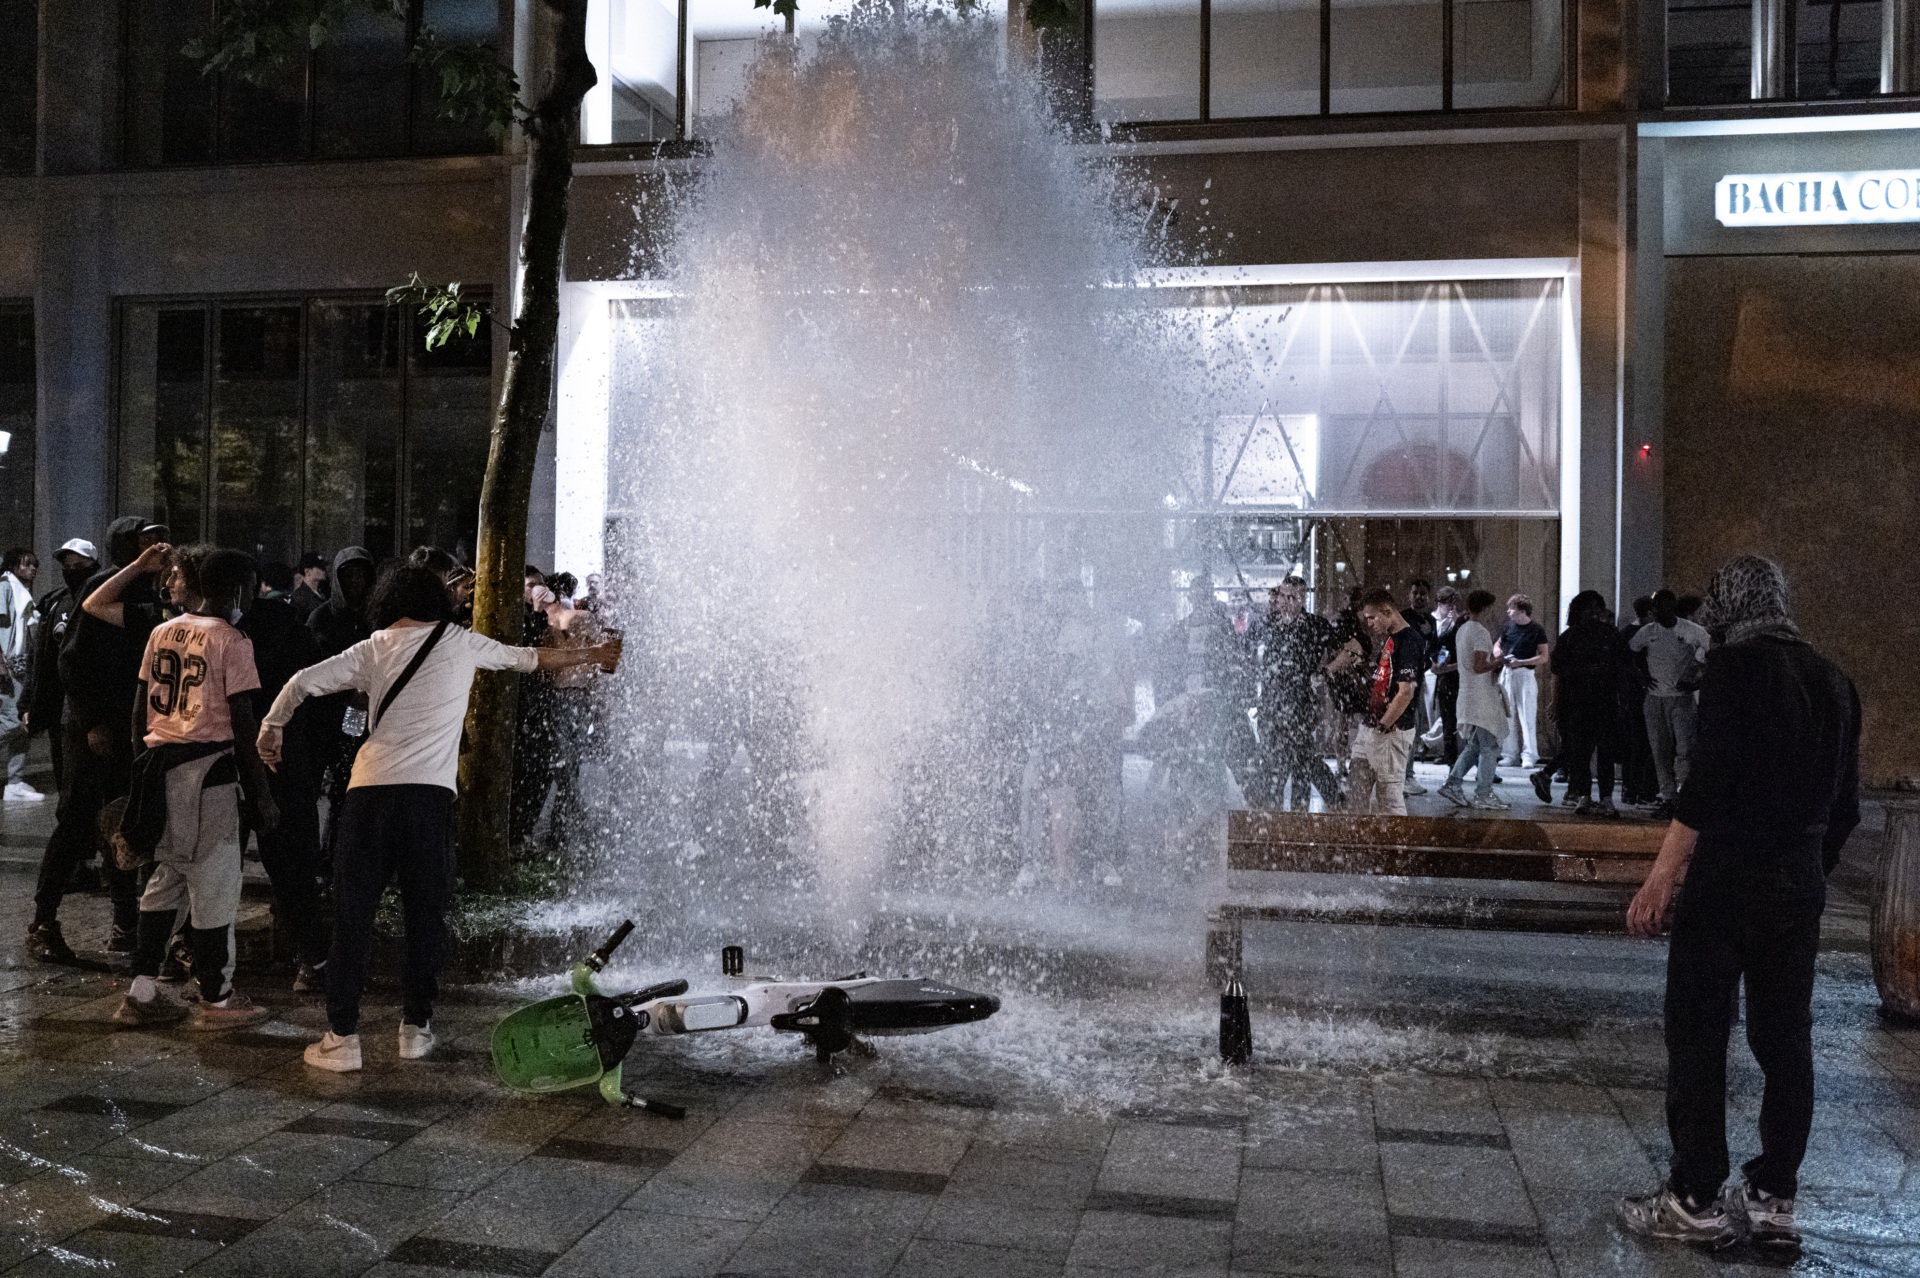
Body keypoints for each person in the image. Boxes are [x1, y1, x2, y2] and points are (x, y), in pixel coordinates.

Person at [260, 564, 624, 1072]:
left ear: (388, 601)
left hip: (367, 797)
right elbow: (531, 658)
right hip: (428, 801)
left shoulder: (374, 647)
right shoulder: (461, 642)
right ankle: (415, 1028)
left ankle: (342, 1038)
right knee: (425, 917)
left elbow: (302, 682)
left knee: (353, 917)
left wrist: (271, 726)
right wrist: (595, 654)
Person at [1619, 556, 1860, 1251]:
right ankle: (1774, 1194)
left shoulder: (1732, 670)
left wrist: (1661, 880)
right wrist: (1808, 869)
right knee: (1786, 1040)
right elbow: (1845, 807)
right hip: (1797, 883)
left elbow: (1706, 786)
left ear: (1730, 603)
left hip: (1728, 876)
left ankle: (1695, 1196)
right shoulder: (1833, 680)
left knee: (1698, 1030)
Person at [107, 546, 278, 1030]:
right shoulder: (232, 639)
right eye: (251, 587)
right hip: (209, 777)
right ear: (237, 589)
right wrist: (262, 794)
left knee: (166, 881)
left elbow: (138, 710)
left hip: (160, 768)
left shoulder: (163, 631)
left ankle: (141, 993)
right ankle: (218, 1000)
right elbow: (242, 723)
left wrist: (142, 770)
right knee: (215, 885)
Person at [26, 518, 162, 964]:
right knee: (78, 820)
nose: (154, 547)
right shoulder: (103, 586)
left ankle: (125, 924)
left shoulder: (146, 591)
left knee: (120, 820)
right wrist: (91, 722)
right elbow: (71, 661)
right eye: (144, 540)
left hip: (127, 725)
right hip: (95, 727)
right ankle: (44, 920)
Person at [237, 557, 330, 992]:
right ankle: (311, 957)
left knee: (207, 866)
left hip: (242, 759)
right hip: (283, 759)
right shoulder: (292, 628)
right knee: (290, 865)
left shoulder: (238, 634)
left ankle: (193, 958)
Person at [309, 546, 378, 859]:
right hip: (327, 713)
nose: (355, 582)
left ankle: (340, 853)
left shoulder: (374, 618)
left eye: (361, 575)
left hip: (360, 712)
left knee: (351, 783)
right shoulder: (323, 617)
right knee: (322, 785)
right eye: (348, 575)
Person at [1256, 576, 1341, 811]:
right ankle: (1272, 814)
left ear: (1303, 599)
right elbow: (1247, 650)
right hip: (1271, 702)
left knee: (1301, 760)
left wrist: (1326, 671)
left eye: (1292, 597)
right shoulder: (1268, 623)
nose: (1285, 602)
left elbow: (1347, 650)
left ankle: (1300, 814)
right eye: (1282, 596)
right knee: (1275, 760)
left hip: (1301, 703)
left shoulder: (1316, 625)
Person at [25, 539, 101, 790]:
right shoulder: (56, 602)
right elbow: (40, 658)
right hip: (60, 706)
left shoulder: (105, 599)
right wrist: (29, 703)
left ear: (94, 566)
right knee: (65, 778)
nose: (72, 571)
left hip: (95, 707)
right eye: (67, 567)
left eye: (79, 566)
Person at [1630, 589, 1711, 821]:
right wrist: (1641, 675)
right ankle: (1668, 797)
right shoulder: (1648, 632)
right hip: (1655, 698)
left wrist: (1698, 680)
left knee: (1685, 748)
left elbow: (1712, 651)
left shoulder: (1691, 630)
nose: (1658, 611)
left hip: (1680, 697)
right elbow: (1631, 652)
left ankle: (1685, 796)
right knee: (1660, 749)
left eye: (1663, 606)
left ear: (1672, 607)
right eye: (1655, 607)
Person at [1546, 591, 1625, 817]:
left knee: (1605, 753)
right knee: (1581, 753)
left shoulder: (1609, 634)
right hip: (1577, 703)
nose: (1594, 612)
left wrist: (1622, 699)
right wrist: (1557, 702)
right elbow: (1557, 673)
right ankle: (1584, 796)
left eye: (1597, 607)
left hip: (1604, 701)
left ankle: (1606, 798)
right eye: (1589, 608)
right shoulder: (1569, 637)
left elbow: (1620, 668)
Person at [1349, 588, 1423, 816]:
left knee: (1389, 800)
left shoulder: (1409, 641)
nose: (1369, 624)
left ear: (1388, 611)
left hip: (1391, 730)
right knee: (1357, 788)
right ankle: (1360, 835)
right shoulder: (1391, 639)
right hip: (1373, 726)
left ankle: (1394, 840)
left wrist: (1383, 726)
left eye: (1372, 618)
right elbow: (1386, 681)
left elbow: (1406, 691)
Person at [1437, 589, 1508, 810]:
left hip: (1468, 693)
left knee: (1475, 745)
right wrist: (1498, 661)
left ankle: (1453, 783)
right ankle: (1483, 793)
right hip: (1481, 696)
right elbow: (1479, 666)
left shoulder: (1463, 629)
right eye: (1491, 608)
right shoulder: (1480, 632)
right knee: (1490, 746)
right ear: (1485, 608)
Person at [0, 547, 41, 802]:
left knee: (24, 723)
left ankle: (15, 782)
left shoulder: (22, 591)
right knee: (13, 721)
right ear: (13, 565)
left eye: (34, 564)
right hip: (9, 664)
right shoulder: (5, 586)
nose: (32, 569)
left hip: (22, 665)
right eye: (26, 564)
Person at [1495, 594, 1549, 767]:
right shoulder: (1508, 627)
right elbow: (1497, 644)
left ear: (1522, 611)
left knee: (1527, 715)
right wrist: (1498, 653)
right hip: (1508, 673)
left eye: (1511, 608)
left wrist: (1522, 662)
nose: (1508, 611)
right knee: (1507, 714)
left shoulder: (1537, 629)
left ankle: (1529, 755)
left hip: (1525, 674)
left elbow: (1544, 657)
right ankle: (1509, 754)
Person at [1618, 596, 1659, 806]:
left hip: (1631, 695)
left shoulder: (1626, 632)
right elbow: (1628, 662)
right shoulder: (1641, 633)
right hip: (1638, 695)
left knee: (1635, 744)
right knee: (1641, 744)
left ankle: (1631, 788)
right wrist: (1642, 679)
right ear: (1649, 613)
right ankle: (1639, 789)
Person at [1399, 578, 1438, 796]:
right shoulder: (1403, 617)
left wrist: (1435, 661)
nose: (1419, 597)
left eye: (1423, 593)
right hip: (1403, 679)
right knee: (1403, 726)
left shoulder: (1431, 620)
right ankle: (1402, 775)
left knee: (1412, 726)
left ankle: (1407, 773)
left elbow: (1434, 648)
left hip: (1419, 679)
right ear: (1409, 595)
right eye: (1415, 593)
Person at [1427, 586, 1461, 766]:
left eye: (1454, 605)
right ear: (1441, 604)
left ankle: (1450, 753)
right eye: (1449, 605)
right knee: (1436, 715)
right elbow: (1436, 646)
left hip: (1449, 672)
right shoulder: (1433, 621)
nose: (1452, 609)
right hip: (1435, 669)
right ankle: (1441, 751)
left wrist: (1455, 623)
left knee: (1449, 718)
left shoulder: (1457, 622)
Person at [290, 553, 330, 622]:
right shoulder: (299, 597)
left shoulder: (324, 592)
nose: (324, 570)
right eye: (320, 567)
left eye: (324, 567)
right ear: (308, 571)